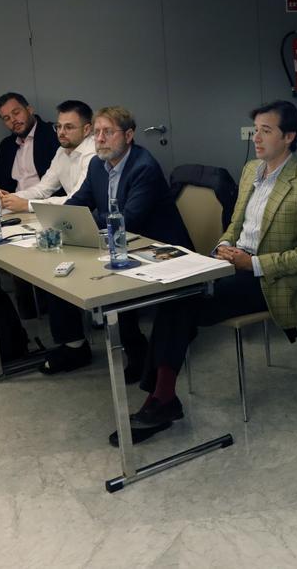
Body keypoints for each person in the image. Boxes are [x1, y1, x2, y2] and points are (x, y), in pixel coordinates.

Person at [128, 100, 297, 436]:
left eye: (266, 131)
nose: (257, 138)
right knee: (174, 292)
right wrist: (222, 246)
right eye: (256, 131)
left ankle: (161, 398)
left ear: (289, 136)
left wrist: (251, 263)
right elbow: (235, 222)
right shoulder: (252, 169)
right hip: (233, 264)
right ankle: (161, 396)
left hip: (270, 279)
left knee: (182, 300)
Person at [41, 106, 194, 386]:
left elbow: (129, 219)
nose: (100, 139)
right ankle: (79, 345)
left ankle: (138, 354)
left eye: (108, 132)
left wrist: (84, 220)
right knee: (61, 273)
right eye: (97, 132)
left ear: (129, 135)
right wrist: (60, 219)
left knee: (110, 288)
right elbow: (80, 201)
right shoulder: (98, 165)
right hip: (122, 244)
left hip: (158, 248)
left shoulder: (143, 166)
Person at [0, 100, 96, 212]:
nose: (61, 132)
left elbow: (76, 200)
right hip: (74, 216)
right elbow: (43, 188)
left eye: (68, 127)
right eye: (58, 126)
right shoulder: (62, 151)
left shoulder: (93, 153)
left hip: (96, 220)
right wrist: (12, 198)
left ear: (86, 129)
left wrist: (27, 205)